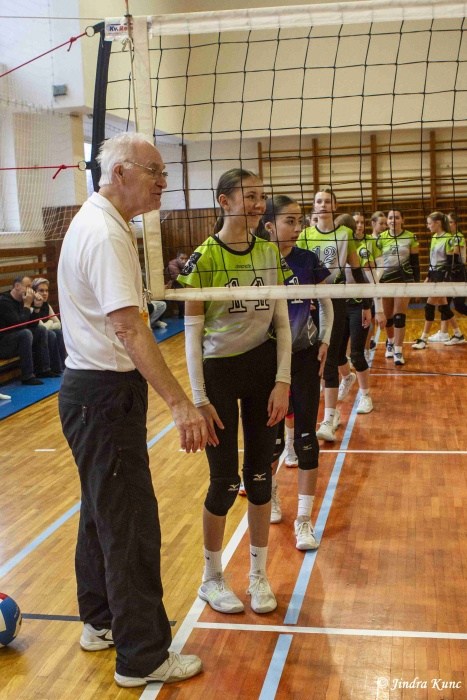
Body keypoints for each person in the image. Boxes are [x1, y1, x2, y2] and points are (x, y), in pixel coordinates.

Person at [57, 132, 207, 688]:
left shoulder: (101, 222)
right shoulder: (104, 233)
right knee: (131, 526)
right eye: (154, 171)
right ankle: (142, 656)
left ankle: (101, 621)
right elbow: (129, 327)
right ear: (120, 173)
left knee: (102, 513)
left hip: (90, 393)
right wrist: (180, 403)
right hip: (103, 396)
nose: (163, 182)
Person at [179, 168, 292, 615]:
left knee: (260, 478)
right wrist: (199, 398)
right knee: (225, 482)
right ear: (224, 201)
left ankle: (258, 576)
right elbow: (192, 335)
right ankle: (211, 579)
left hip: (262, 370)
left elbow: (282, 323)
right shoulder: (204, 257)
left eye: (262, 196)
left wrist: (283, 380)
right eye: (250, 196)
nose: (259, 203)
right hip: (219, 374)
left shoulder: (269, 252)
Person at [260, 194, 333, 549]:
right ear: (269, 226)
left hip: (304, 356)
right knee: (269, 439)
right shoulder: (258, 259)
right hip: (267, 360)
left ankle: (304, 520)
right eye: (290, 220)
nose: (298, 227)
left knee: (306, 436)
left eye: (300, 220)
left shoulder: (308, 260)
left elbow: (326, 304)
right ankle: (271, 495)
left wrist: (326, 339)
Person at [296, 188, 368, 442]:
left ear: (334, 206)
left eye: (328, 201)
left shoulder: (345, 234)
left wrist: (367, 304)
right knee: (315, 357)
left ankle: (329, 418)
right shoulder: (305, 235)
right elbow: (298, 269)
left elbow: (357, 271)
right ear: (314, 206)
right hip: (311, 301)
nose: (323, 204)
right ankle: (345, 379)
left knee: (327, 357)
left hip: (335, 300)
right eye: (319, 201)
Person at [335, 213, 385, 415]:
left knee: (356, 354)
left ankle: (365, 396)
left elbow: (372, 281)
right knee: (337, 354)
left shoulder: (362, 250)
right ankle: (347, 377)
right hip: (339, 305)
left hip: (359, 305)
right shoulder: (334, 250)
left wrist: (378, 309)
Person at [412, 212, 465, 349]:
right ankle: (458, 334)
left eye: (429, 223)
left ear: (438, 223)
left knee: (429, 306)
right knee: (444, 307)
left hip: (443, 276)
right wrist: (428, 276)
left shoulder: (449, 239)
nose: (427, 226)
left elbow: (450, 263)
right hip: (434, 275)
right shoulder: (434, 237)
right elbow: (432, 261)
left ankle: (423, 339)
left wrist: (444, 281)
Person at [377, 209, 420, 366]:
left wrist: (416, 284)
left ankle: (398, 350)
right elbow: (377, 262)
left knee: (399, 316)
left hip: (404, 280)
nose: (393, 220)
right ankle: (390, 341)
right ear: (387, 221)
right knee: (388, 317)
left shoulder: (410, 237)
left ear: (403, 220)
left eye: (396, 217)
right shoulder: (381, 238)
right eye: (390, 218)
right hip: (386, 281)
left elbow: (415, 263)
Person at [0, 275, 58, 384]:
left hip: (16, 339)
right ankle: (27, 376)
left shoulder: (23, 300)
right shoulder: (4, 302)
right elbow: (19, 325)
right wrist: (27, 305)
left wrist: (36, 308)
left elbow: (32, 325)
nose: (30, 290)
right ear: (17, 286)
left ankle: (43, 369)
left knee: (40, 330)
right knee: (25, 333)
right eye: (27, 286)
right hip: (3, 344)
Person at [32, 277, 67, 370]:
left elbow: (58, 324)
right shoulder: (32, 306)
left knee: (59, 332)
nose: (45, 293)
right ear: (34, 292)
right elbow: (41, 326)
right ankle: (53, 367)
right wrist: (51, 321)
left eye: (46, 291)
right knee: (51, 334)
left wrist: (50, 322)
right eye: (41, 290)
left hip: (45, 332)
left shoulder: (47, 305)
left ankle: (62, 365)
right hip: (35, 335)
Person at [165, 251, 188, 318]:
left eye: (186, 258)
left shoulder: (186, 264)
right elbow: (178, 278)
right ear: (177, 258)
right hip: (170, 284)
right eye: (182, 258)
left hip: (178, 283)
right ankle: (182, 314)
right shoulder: (172, 265)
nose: (184, 261)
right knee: (181, 292)